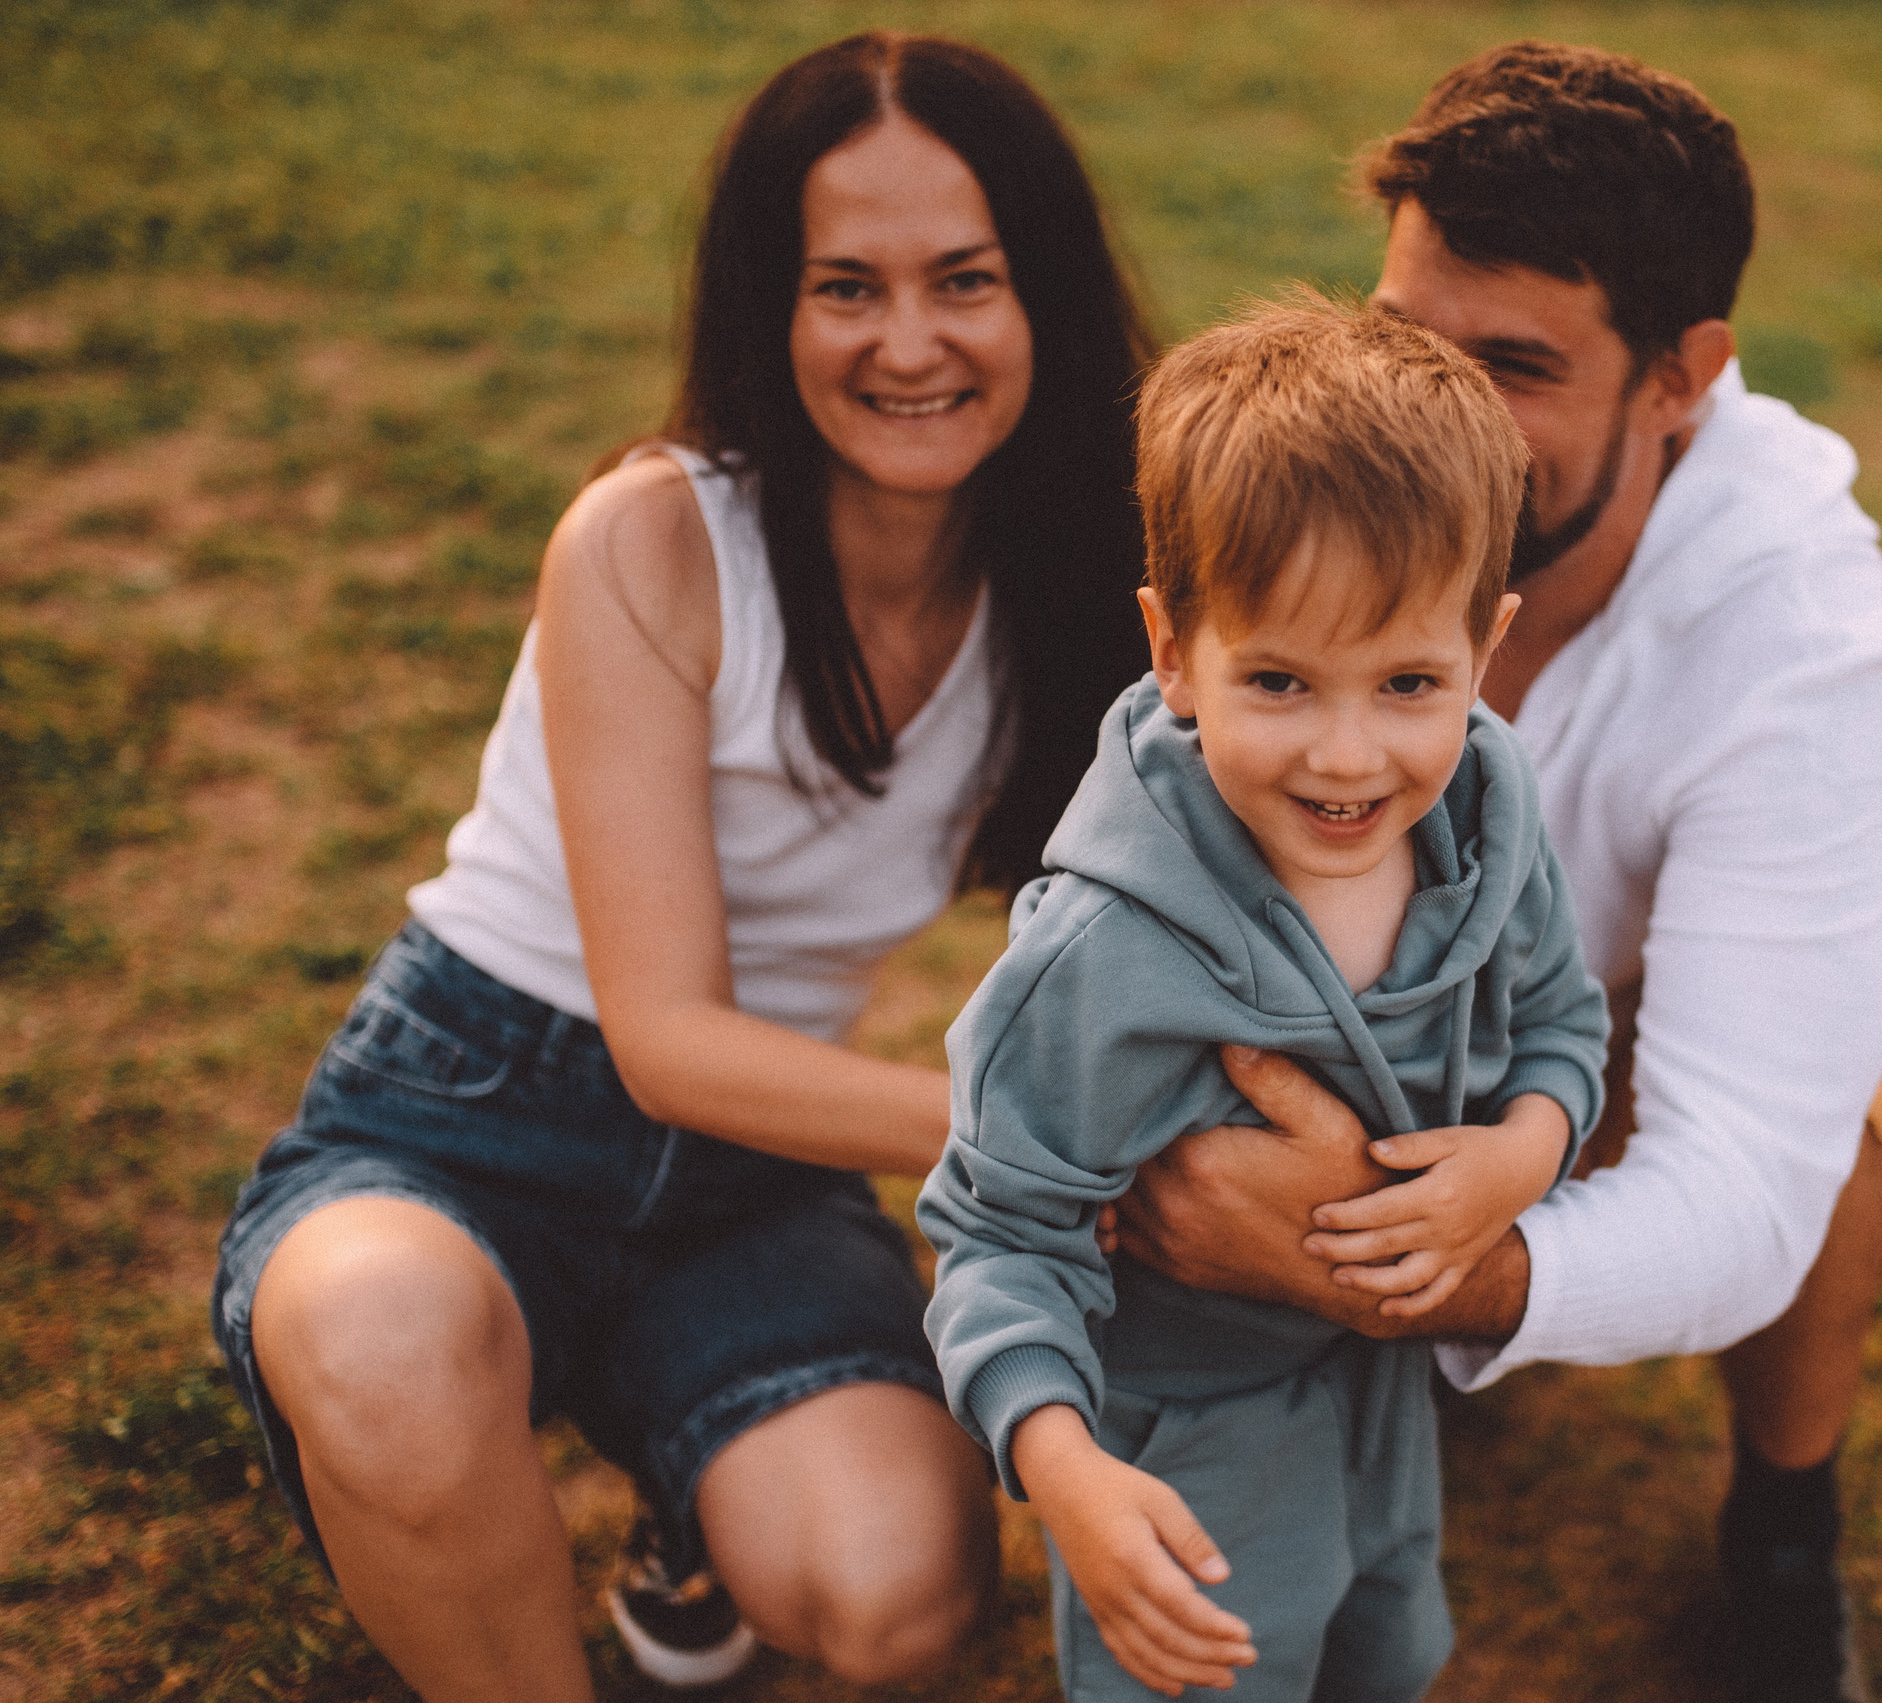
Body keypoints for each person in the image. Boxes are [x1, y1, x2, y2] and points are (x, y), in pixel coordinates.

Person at [207, 33, 1153, 1700]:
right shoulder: (654, 536)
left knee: (900, 1589)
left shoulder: (1072, 584)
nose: (910, 342)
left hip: (753, 1177)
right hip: (467, 1112)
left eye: (964, 281)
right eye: (845, 287)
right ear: (766, 310)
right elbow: (663, 1037)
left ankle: (692, 1507)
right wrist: (1062, 1144)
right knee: (384, 1349)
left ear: (1044, 301)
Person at [1106, 41, 1882, 1703]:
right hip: (1378, 978)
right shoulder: (1305, 459)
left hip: (1651, 1001)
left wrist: (1381, 1270)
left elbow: (1744, 1189)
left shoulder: (1796, 624)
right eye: (1404, 338)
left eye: (1513, 365)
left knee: (1860, 1084)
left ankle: (1786, 1521)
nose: (1425, 416)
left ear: (1683, 376)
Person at [918, 298, 1611, 1703]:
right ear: (1174, 652)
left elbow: (1561, 1022)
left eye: (1411, 681)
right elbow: (997, 1238)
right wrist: (1069, 1473)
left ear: (1488, 645)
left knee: (1387, 1653)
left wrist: (1521, 1153)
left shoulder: (1491, 819)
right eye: (1280, 681)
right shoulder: (1099, 950)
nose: (1348, 756)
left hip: (1385, 1405)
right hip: (1184, 1439)